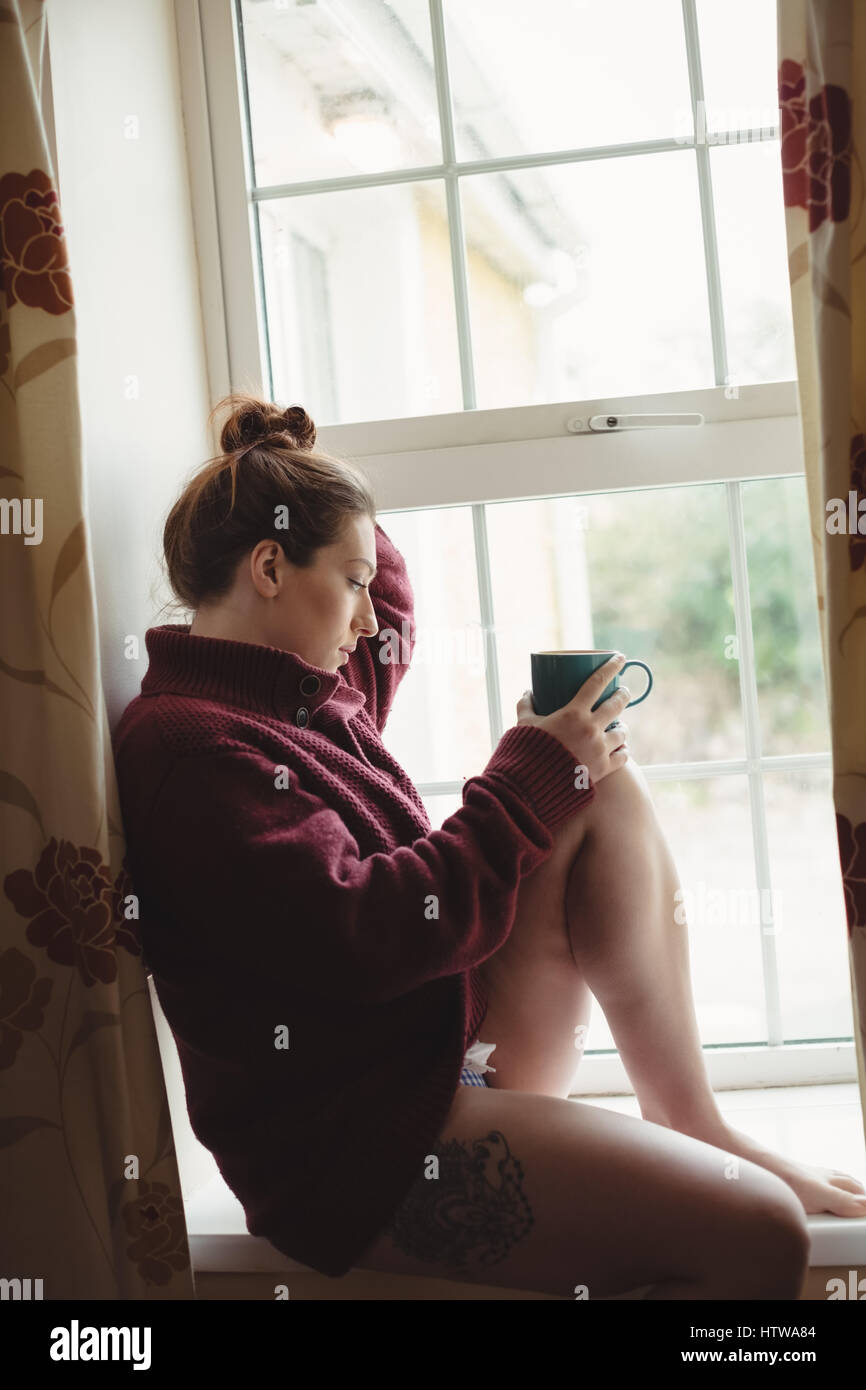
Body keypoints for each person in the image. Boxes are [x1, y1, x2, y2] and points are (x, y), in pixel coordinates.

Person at [113, 392, 864, 1301]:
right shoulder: (194, 750)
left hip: (438, 1051)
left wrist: (295, 466)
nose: (366, 621)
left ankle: (689, 1114)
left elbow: (388, 594)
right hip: (363, 1151)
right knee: (764, 1231)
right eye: (349, 584)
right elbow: (362, 936)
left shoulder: (305, 691)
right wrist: (524, 778)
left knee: (598, 782)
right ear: (269, 567)